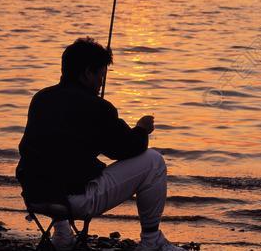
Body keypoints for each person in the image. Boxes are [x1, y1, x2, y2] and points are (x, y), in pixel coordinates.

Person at [16, 37, 185, 251]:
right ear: (87, 73)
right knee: (153, 161)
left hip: (34, 194)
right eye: (101, 75)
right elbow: (127, 149)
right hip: (74, 201)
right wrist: (142, 129)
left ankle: (62, 235)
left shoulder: (41, 98)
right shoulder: (98, 107)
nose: (101, 82)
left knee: (54, 162)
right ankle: (152, 241)